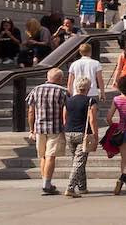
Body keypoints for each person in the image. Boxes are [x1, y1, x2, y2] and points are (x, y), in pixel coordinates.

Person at [24, 68, 69, 196]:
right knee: (50, 156)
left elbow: (31, 111)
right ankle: (46, 183)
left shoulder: (36, 90)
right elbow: (66, 111)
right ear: (60, 79)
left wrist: (31, 128)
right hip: (55, 127)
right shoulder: (63, 92)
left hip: (39, 128)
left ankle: (45, 182)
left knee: (43, 155)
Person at [60, 77, 97, 197]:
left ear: (76, 87)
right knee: (79, 161)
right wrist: (95, 135)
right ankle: (70, 188)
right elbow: (92, 119)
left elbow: (64, 118)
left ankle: (82, 187)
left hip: (69, 132)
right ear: (88, 88)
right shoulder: (91, 101)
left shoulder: (68, 100)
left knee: (77, 160)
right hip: (83, 133)